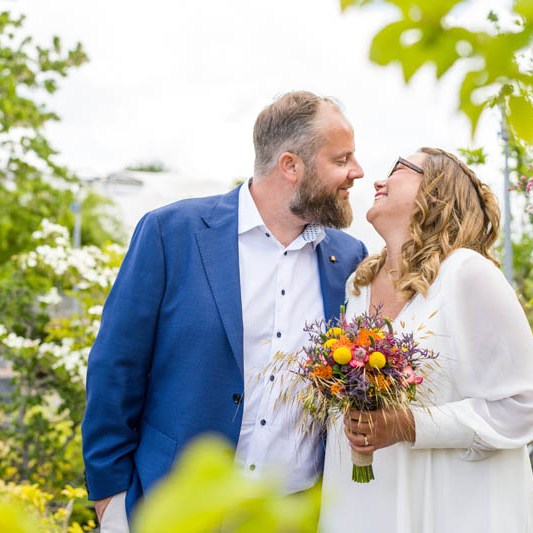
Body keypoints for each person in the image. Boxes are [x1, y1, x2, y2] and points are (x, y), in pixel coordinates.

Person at [81, 90, 368, 532]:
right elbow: (115, 369)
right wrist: (111, 501)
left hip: (291, 517)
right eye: (342, 159)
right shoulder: (170, 233)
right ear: (290, 165)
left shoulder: (348, 258)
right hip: (177, 509)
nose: (357, 171)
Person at [319, 147, 533, 533]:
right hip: (364, 504)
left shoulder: (468, 274)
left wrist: (409, 425)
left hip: (448, 508)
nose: (379, 180)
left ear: (436, 190)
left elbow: (523, 404)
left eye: (398, 169)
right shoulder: (357, 285)